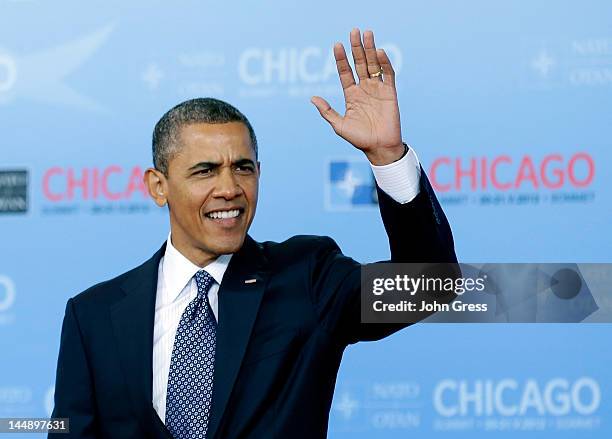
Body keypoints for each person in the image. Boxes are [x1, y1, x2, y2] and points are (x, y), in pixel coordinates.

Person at [50, 29, 456, 439]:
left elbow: (429, 285)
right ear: (158, 186)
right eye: (205, 170)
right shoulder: (94, 316)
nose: (229, 187)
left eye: (243, 167)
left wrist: (388, 157)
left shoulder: (307, 277)